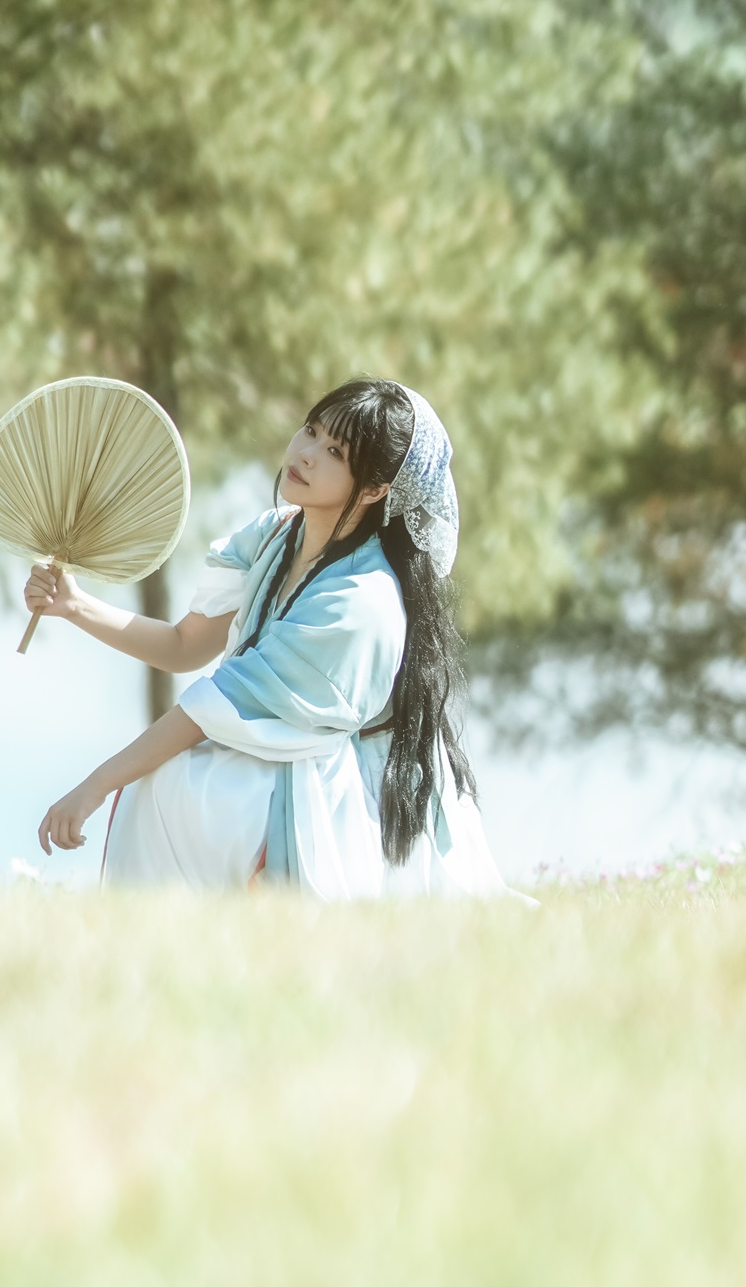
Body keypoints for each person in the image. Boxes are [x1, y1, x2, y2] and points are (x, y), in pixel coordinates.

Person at [29, 377, 512, 898]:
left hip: (347, 788)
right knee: (169, 783)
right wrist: (76, 606)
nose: (304, 454)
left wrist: (97, 785)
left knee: (179, 786)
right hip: (284, 755)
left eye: (334, 451)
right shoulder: (275, 535)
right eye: (310, 430)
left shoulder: (359, 602)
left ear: (374, 489)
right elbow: (186, 646)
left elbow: (217, 705)